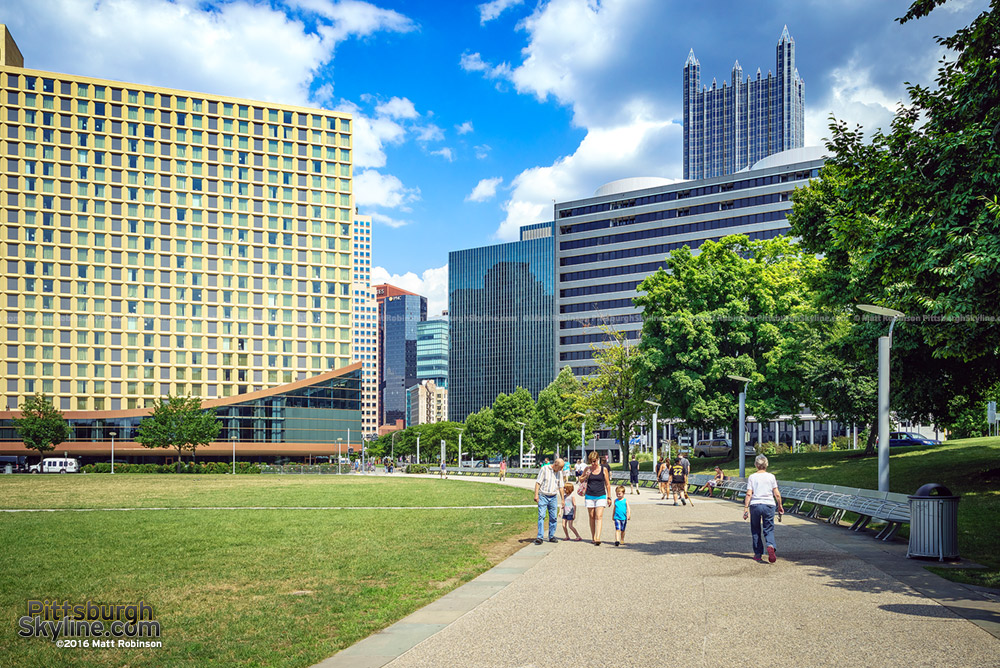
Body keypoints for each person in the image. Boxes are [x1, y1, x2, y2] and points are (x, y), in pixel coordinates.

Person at [744, 454, 784, 563]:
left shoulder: (752, 477)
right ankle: (770, 545)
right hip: (769, 505)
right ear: (766, 465)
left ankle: (758, 554)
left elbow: (749, 494)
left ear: (756, 465)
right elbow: (777, 493)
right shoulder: (771, 476)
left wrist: (746, 508)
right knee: (769, 528)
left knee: (756, 529)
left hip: (755, 505)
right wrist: (780, 505)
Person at [579, 450, 612, 545]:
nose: (593, 463)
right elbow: (580, 480)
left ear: (598, 460)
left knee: (599, 516)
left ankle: (598, 537)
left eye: (594, 461)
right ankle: (593, 536)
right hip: (589, 495)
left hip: (601, 495)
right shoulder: (587, 469)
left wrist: (609, 497)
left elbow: (608, 484)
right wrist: (586, 475)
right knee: (592, 516)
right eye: (591, 461)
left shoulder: (603, 469)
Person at [534, 458, 565, 544]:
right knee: (541, 516)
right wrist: (536, 494)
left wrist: (562, 499)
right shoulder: (545, 469)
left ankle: (551, 536)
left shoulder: (559, 473)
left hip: (553, 496)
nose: (561, 469)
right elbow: (538, 482)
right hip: (543, 495)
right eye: (560, 467)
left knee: (553, 517)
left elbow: (561, 486)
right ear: (555, 464)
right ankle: (540, 537)